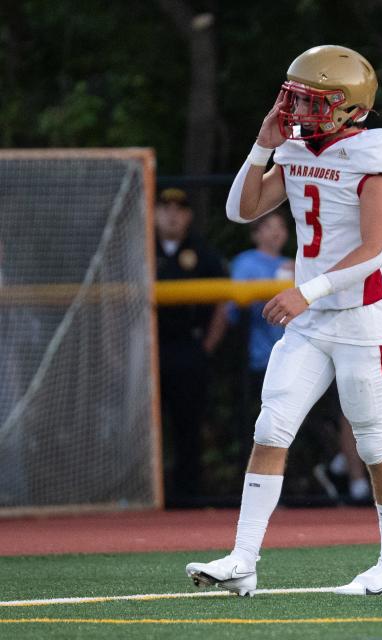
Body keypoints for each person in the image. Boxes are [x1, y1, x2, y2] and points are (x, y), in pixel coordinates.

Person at [186, 45, 382, 597]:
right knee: (271, 427)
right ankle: (243, 559)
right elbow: (239, 212)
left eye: (310, 100)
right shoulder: (291, 147)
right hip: (313, 323)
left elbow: (373, 250)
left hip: (362, 320)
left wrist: (305, 291)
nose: (297, 108)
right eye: (294, 97)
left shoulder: (377, 153)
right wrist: (263, 144)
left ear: (348, 106)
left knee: (374, 443)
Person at [154, 187, 229, 506]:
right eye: (164, 208)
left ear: (188, 216)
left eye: (178, 209)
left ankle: (187, 496)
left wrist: (206, 347)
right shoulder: (139, 249)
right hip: (147, 350)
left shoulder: (202, 252)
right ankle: (148, 496)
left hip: (187, 346)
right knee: (147, 428)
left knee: (188, 423)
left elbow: (223, 301)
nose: (171, 214)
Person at [229, 211, 294, 458]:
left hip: (291, 358)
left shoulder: (295, 263)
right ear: (255, 233)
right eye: (268, 226)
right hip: (257, 361)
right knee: (259, 428)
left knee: (287, 429)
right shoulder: (246, 262)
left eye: (280, 226)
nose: (276, 231)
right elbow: (234, 310)